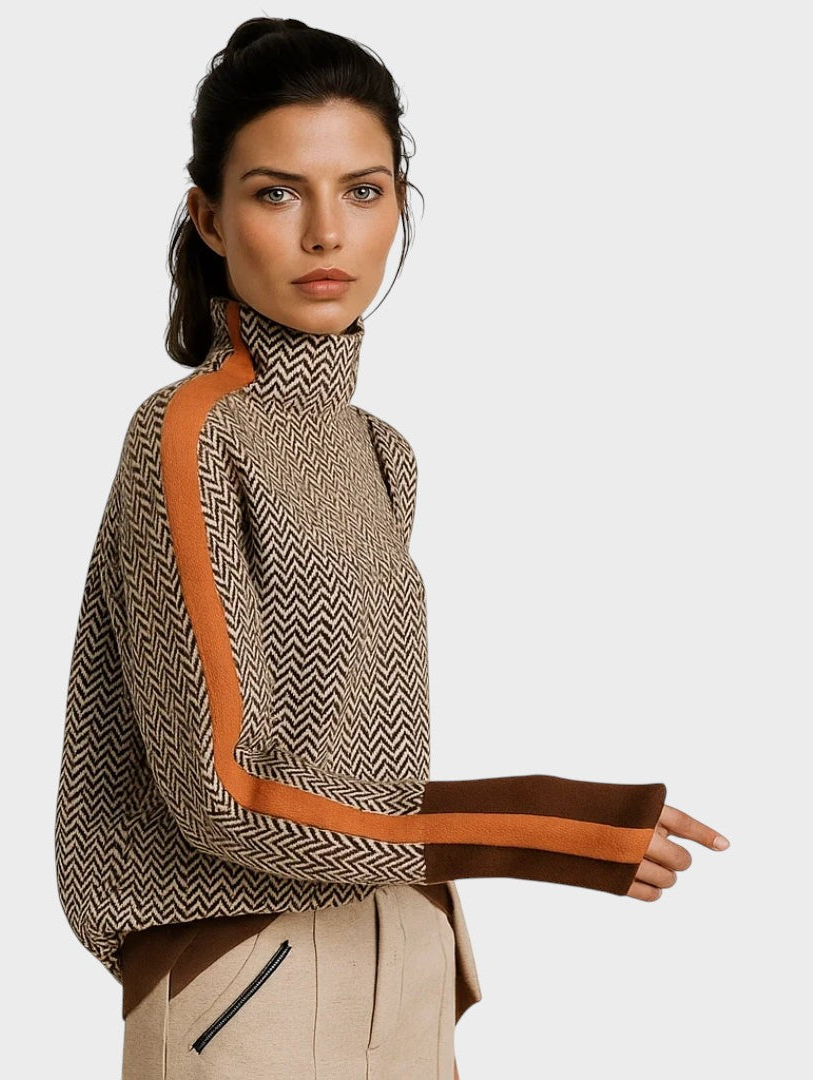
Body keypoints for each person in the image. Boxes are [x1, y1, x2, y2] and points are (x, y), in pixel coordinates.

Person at [54, 16, 730, 1079]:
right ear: (211, 219)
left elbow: (355, 767)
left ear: (398, 207)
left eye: (362, 191)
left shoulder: (382, 453)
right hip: (255, 980)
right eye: (278, 193)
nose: (328, 233)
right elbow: (225, 790)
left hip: (405, 952)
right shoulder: (187, 435)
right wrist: (553, 826)